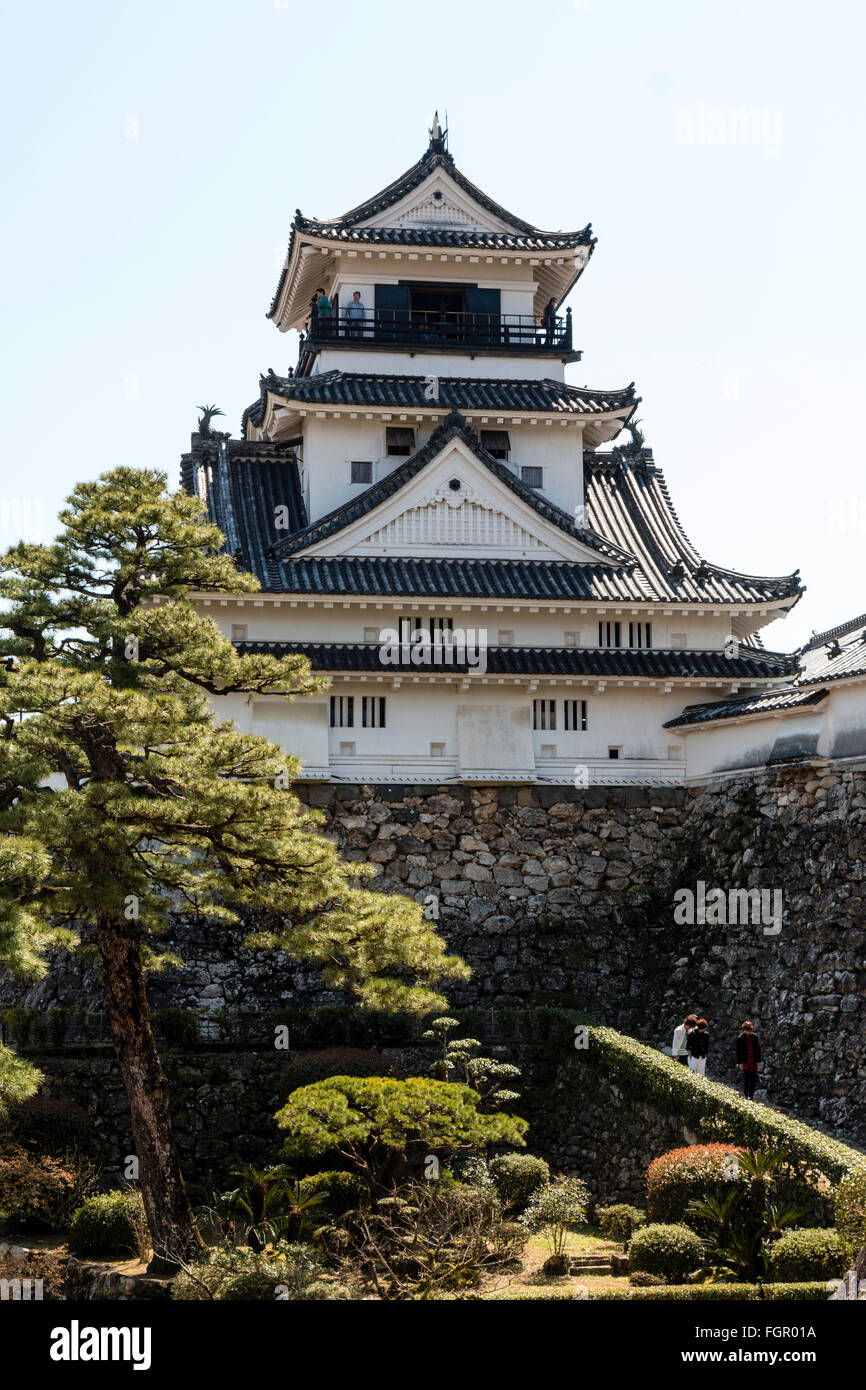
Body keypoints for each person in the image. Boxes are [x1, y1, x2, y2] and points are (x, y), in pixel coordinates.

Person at [736, 1020, 762, 1099]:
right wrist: (740, 1063)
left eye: (749, 1030)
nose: (748, 1032)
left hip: (753, 1061)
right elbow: (738, 1052)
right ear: (744, 1029)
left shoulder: (754, 1037)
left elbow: (758, 1049)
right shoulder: (740, 1038)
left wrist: (758, 1061)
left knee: (753, 1080)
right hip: (745, 1062)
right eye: (747, 1030)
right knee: (747, 1079)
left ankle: (751, 1096)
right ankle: (746, 1095)